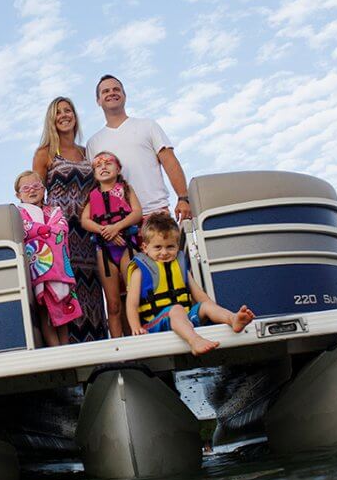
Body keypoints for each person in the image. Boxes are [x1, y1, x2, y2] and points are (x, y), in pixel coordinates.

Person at [32, 97, 106, 343]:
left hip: (89, 229)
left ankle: (100, 352)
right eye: (58, 112)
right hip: (60, 235)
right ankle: (70, 353)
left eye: (68, 110)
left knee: (92, 289)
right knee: (64, 291)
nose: (64, 115)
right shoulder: (45, 154)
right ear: (51, 120)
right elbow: (35, 195)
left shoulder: (87, 152)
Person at [126, 214, 256, 356]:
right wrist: (136, 327)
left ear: (177, 246)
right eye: (158, 247)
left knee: (206, 305)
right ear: (145, 248)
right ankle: (194, 341)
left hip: (183, 317)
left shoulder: (181, 269)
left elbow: (202, 297)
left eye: (170, 247)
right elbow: (131, 304)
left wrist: (211, 312)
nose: (164, 252)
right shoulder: (139, 273)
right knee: (176, 309)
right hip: (155, 324)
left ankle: (233, 319)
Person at [85, 75, 193, 222]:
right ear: (98, 101)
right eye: (105, 91)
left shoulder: (148, 126)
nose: (111, 93)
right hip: (117, 222)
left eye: (116, 89)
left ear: (124, 95)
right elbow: (96, 184)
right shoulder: (93, 143)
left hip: (155, 213)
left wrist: (183, 198)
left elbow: (170, 162)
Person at [14, 170, 82, 347]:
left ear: (44, 189)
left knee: (63, 305)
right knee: (44, 308)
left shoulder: (55, 211)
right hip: (38, 269)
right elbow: (27, 229)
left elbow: (61, 230)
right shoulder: (18, 214)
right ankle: (55, 347)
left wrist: (41, 232)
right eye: (26, 188)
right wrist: (45, 232)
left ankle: (65, 346)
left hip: (58, 267)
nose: (32, 190)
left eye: (36, 186)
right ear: (18, 194)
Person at [79, 151, 141, 338]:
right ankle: (119, 347)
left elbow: (137, 213)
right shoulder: (93, 196)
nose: (103, 167)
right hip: (104, 252)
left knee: (133, 296)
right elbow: (85, 221)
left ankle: (138, 340)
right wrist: (104, 230)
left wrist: (117, 227)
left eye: (108, 163)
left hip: (127, 248)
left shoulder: (127, 190)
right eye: (98, 165)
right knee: (113, 304)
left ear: (118, 168)